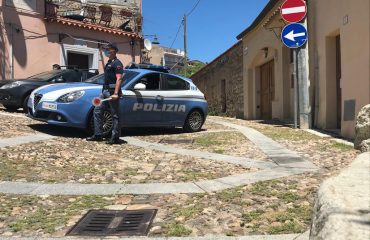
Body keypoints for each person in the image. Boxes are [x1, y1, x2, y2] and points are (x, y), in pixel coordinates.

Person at [86, 44, 124, 145]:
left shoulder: (117, 63)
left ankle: (115, 137)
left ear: (114, 51)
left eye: (109, 50)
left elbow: (119, 78)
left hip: (112, 92)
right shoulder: (108, 63)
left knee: (115, 115)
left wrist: (116, 92)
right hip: (105, 91)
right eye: (106, 50)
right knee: (97, 110)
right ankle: (98, 134)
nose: (107, 51)